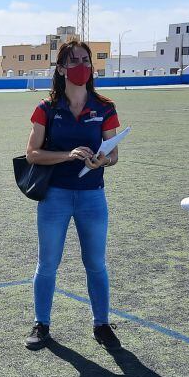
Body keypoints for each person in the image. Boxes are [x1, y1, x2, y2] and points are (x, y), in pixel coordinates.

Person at [23, 39, 122, 351]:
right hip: (55, 197)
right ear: (62, 68)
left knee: (96, 263)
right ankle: (42, 324)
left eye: (85, 60)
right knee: (47, 263)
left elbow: (114, 153)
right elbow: (32, 155)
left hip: (92, 196)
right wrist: (68, 155)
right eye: (74, 60)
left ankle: (102, 323)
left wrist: (100, 159)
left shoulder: (105, 107)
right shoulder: (46, 109)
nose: (82, 65)